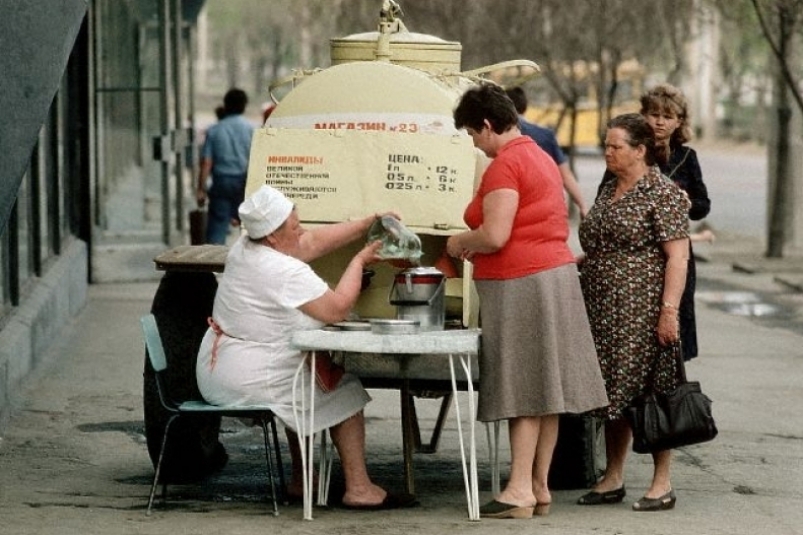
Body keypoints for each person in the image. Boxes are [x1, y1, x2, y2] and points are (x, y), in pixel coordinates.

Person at [195, 185, 416, 510]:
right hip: (246, 375)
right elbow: (337, 308)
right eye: (294, 228)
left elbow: (310, 243)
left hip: (220, 367)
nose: (302, 233)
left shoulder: (245, 248)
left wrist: (369, 221)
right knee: (344, 389)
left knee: (302, 387)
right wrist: (359, 260)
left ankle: (303, 480)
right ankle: (359, 488)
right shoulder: (282, 270)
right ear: (272, 236)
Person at [446, 83, 608, 519]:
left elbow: (496, 235)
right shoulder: (539, 154)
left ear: (486, 125)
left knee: (521, 387)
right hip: (554, 276)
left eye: (472, 135)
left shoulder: (505, 165)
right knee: (546, 388)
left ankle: (517, 488)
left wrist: (461, 241)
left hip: (521, 282)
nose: (474, 145)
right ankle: (538, 485)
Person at [577, 113, 690, 512]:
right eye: (606, 145)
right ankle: (613, 475)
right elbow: (598, 244)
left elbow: (678, 257)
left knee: (651, 392)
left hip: (641, 310)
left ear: (640, 150)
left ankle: (662, 482)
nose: (607, 152)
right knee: (611, 394)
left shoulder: (663, 193)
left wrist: (669, 312)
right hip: (601, 308)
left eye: (615, 146)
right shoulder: (609, 188)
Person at [504, 86, 589, 218]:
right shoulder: (546, 135)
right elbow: (566, 175)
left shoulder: (496, 134)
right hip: (544, 207)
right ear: (525, 107)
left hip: (510, 206)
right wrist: (582, 205)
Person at [196, 88, 254, 244]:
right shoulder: (251, 130)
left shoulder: (215, 130)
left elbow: (206, 162)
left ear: (226, 105)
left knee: (217, 228)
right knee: (250, 228)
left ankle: (215, 263)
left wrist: (201, 189)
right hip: (244, 182)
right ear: (244, 106)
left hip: (221, 182)